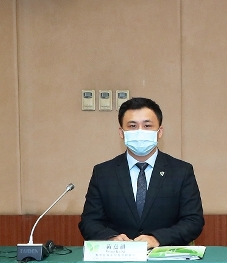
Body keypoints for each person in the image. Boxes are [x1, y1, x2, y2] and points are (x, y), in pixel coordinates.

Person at [79, 97, 204, 248]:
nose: (140, 132)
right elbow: (90, 221)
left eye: (147, 126)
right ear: (121, 132)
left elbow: (193, 221)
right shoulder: (103, 173)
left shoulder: (181, 171)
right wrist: (111, 238)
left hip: (165, 257)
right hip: (119, 258)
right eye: (132, 126)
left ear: (159, 132)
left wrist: (157, 239)